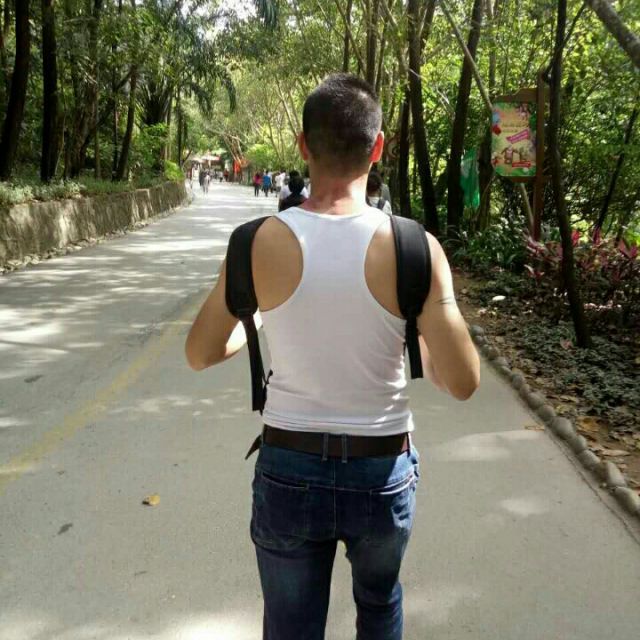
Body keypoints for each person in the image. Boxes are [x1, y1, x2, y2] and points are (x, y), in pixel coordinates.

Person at [185, 73, 479, 640]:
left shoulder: (254, 242)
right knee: (379, 604)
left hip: (289, 468)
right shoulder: (415, 246)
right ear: (378, 147)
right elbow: (462, 381)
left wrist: (262, 315)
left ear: (303, 146)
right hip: (382, 469)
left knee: (290, 627)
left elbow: (200, 352)